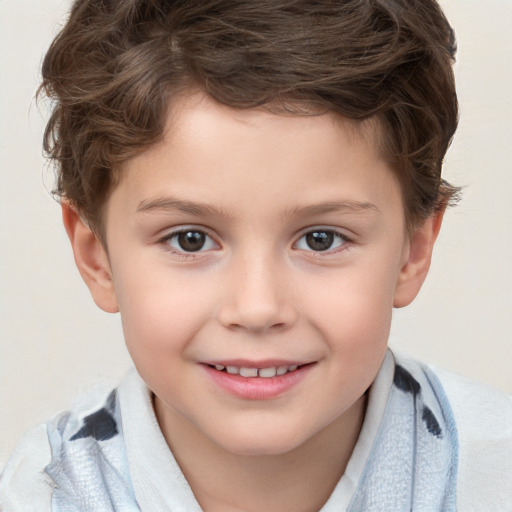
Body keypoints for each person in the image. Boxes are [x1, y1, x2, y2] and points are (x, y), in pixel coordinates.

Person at [0, 0, 511, 510]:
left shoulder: (495, 476)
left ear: (413, 251)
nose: (258, 308)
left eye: (321, 239)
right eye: (190, 239)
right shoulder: (42, 494)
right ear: (97, 258)